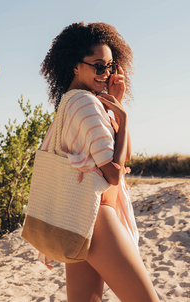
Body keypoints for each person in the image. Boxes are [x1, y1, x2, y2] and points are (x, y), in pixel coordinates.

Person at [39, 22, 160, 302]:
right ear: (74, 66)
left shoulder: (73, 102)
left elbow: (122, 155)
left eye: (110, 66)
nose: (106, 74)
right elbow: (115, 174)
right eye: (98, 66)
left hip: (78, 216)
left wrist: (115, 110)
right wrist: (125, 119)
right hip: (97, 217)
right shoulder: (85, 104)